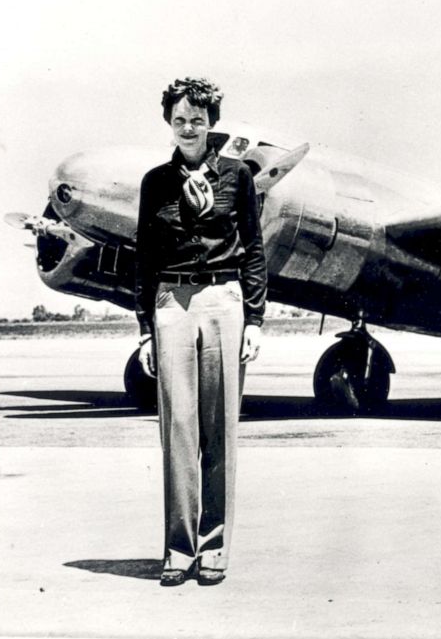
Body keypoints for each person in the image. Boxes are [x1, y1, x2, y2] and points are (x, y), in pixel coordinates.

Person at [134, 77, 267, 587]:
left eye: (197, 118)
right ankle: (178, 549)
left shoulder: (238, 177)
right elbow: (144, 259)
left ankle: (213, 549)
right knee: (178, 432)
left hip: (223, 300)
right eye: (179, 119)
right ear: (168, 122)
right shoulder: (154, 183)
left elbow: (253, 250)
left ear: (212, 122)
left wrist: (254, 320)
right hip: (171, 302)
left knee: (220, 432)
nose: (188, 127)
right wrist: (146, 328)